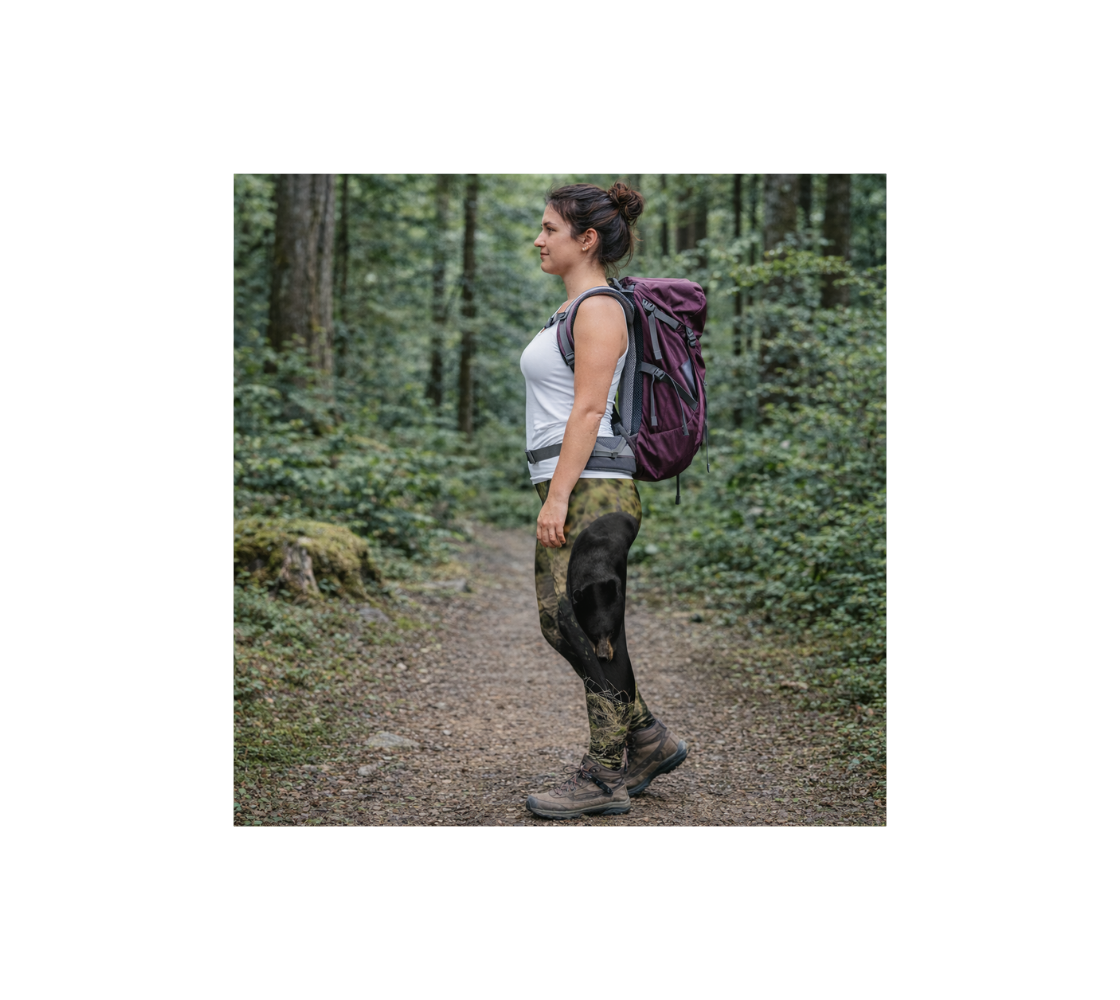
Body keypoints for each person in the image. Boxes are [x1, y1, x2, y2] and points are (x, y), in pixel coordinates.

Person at [520, 182, 688, 820]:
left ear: (585, 239)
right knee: (566, 624)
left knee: (588, 627)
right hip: (578, 486)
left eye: (549, 229)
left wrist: (558, 495)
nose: (539, 239)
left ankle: (603, 777)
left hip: (594, 489)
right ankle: (647, 737)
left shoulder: (599, 308)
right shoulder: (571, 310)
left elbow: (589, 408)